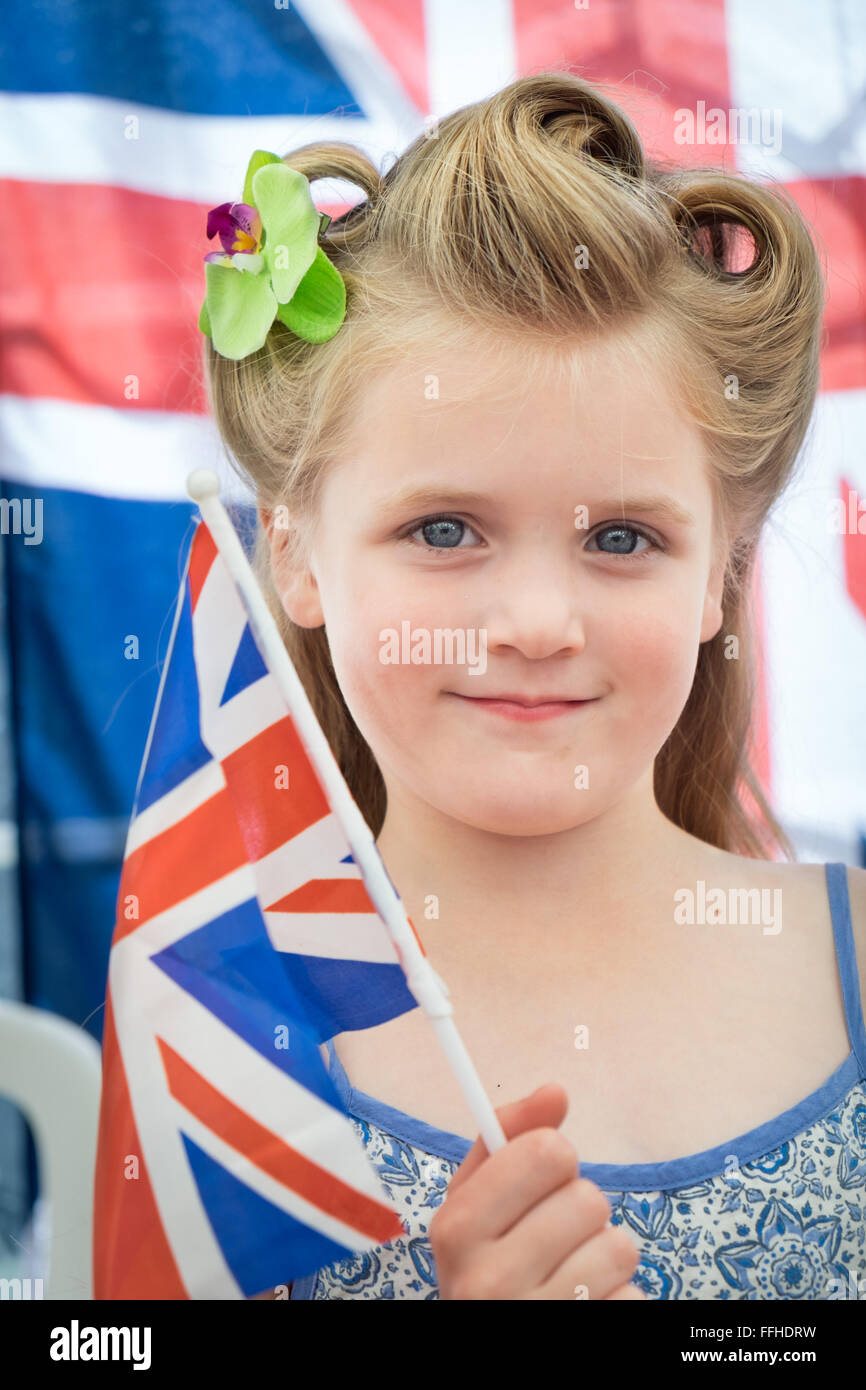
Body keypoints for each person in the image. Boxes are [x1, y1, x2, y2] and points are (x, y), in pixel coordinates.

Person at [202, 71, 866, 1301]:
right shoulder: (212, 1051)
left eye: (619, 539)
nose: (537, 623)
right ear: (291, 549)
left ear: (719, 572)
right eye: (445, 528)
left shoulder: (855, 968)